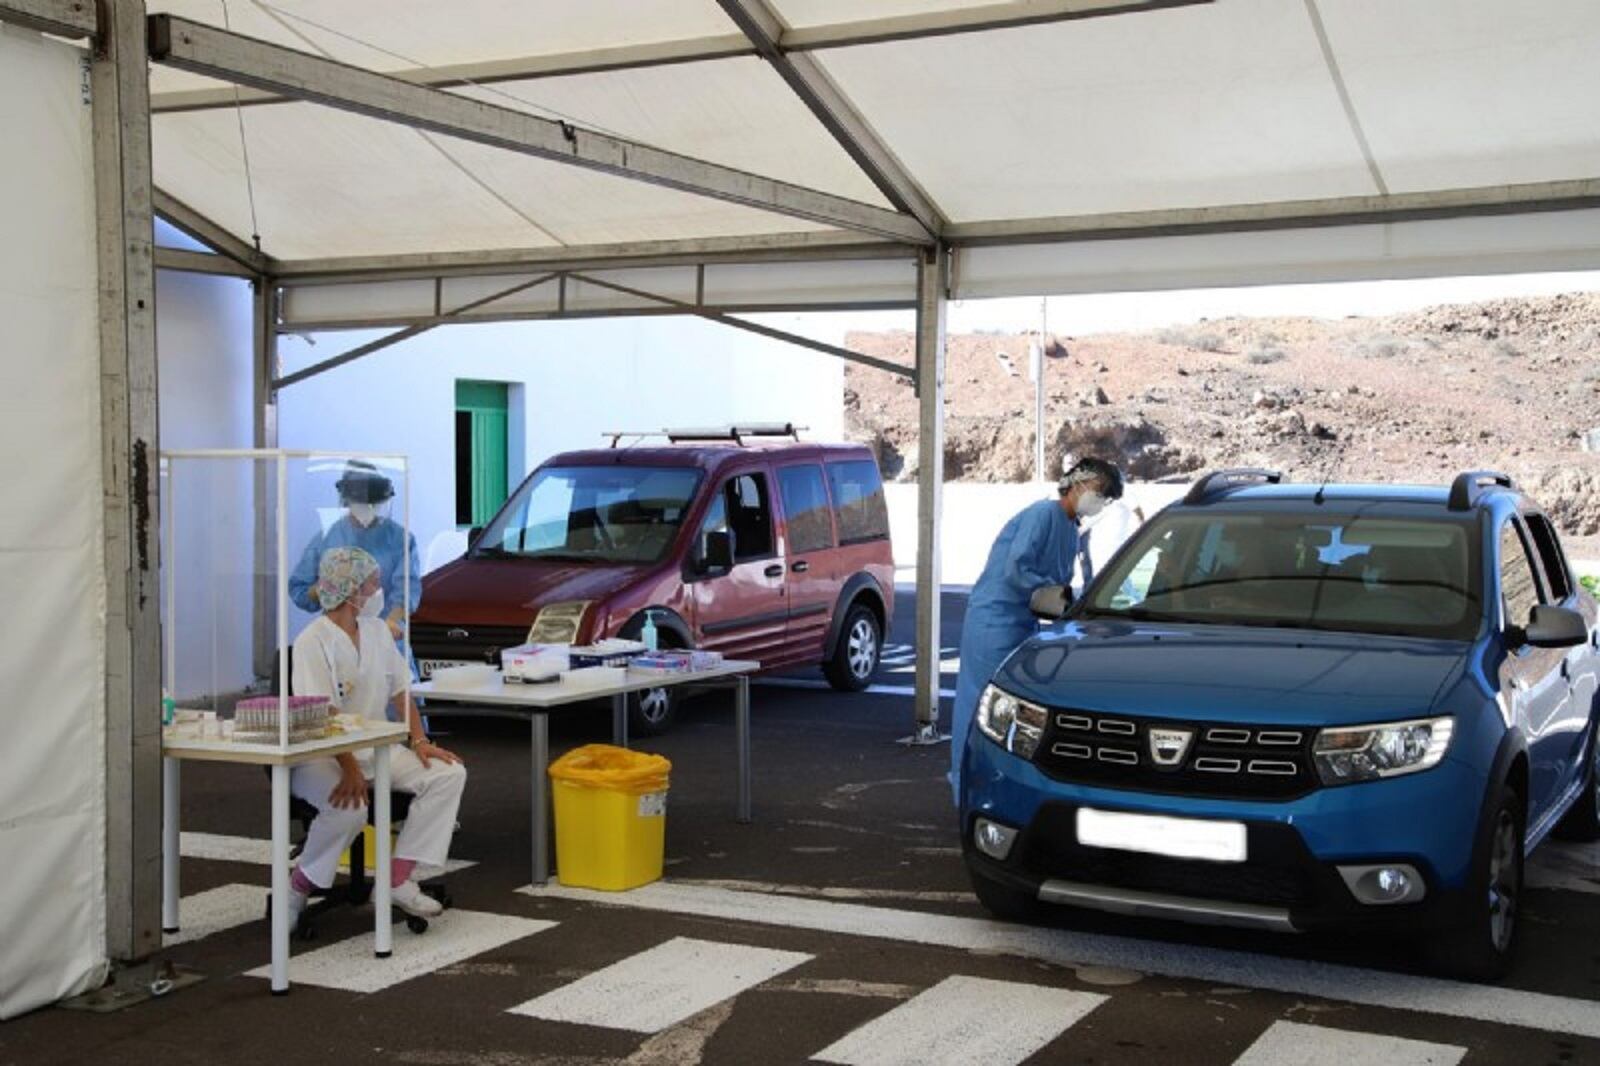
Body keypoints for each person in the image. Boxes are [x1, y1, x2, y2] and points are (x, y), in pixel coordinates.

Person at [286, 547, 467, 926]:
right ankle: (298, 886)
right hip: (321, 754)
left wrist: (419, 741)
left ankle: (398, 879)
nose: (378, 587)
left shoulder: (376, 632)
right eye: (371, 581)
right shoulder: (312, 642)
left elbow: (401, 690)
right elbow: (323, 715)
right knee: (348, 810)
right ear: (350, 588)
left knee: (447, 774)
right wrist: (350, 769)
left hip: (376, 750)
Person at [950, 456, 1124, 803]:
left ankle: (1000, 789)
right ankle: (968, 788)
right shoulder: (1043, 515)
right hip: (995, 620)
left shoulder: (1071, 529)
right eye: (1101, 493)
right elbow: (1018, 568)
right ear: (1081, 483)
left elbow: (1066, 580)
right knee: (982, 705)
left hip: (1022, 622)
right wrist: (1053, 594)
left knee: (1011, 711)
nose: (1101, 502)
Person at [288, 461, 421, 646]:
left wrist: (389, 623)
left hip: (386, 638)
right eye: (361, 502)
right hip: (338, 639)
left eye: (373, 503)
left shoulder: (400, 539)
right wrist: (327, 587)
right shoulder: (328, 538)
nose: (367, 508)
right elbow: (299, 590)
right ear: (346, 501)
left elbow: (406, 590)